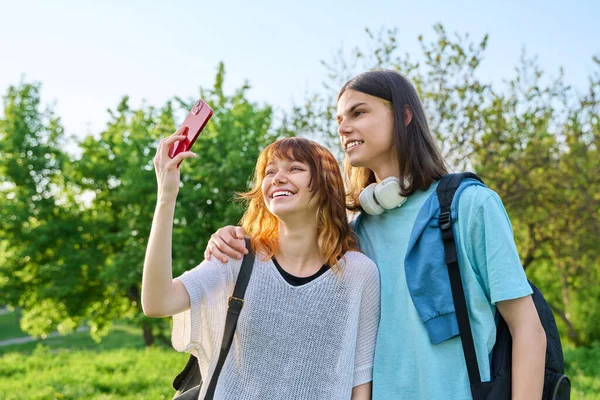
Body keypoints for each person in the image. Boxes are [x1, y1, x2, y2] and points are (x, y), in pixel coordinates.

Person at [203, 70, 547, 399]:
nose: (344, 127)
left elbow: (528, 329)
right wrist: (230, 238)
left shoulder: (469, 205)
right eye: (339, 120)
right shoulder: (358, 232)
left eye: (358, 112)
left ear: (404, 115)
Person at [142, 132, 380, 400]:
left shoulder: (359, 273)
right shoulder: (238, 256)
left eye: (295, 168)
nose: (277, 178)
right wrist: (166, 195)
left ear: (327, 185)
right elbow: (157, 302)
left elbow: (360, 381)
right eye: (270, 171)